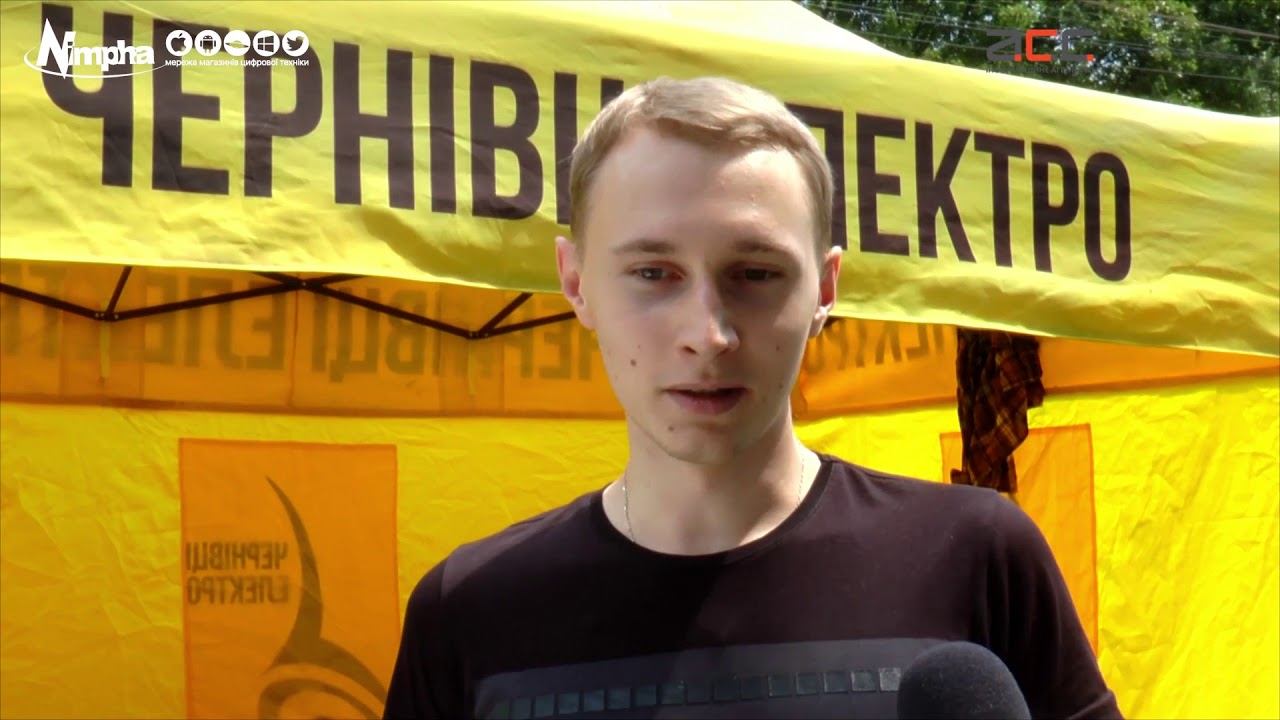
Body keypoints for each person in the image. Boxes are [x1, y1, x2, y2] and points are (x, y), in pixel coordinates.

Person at [384, 76, 1121, 720]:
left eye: (756, 274)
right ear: (575, 282)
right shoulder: (468, 611)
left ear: (825, 289)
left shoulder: (977, 556)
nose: (709, 336)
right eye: (653, 273)